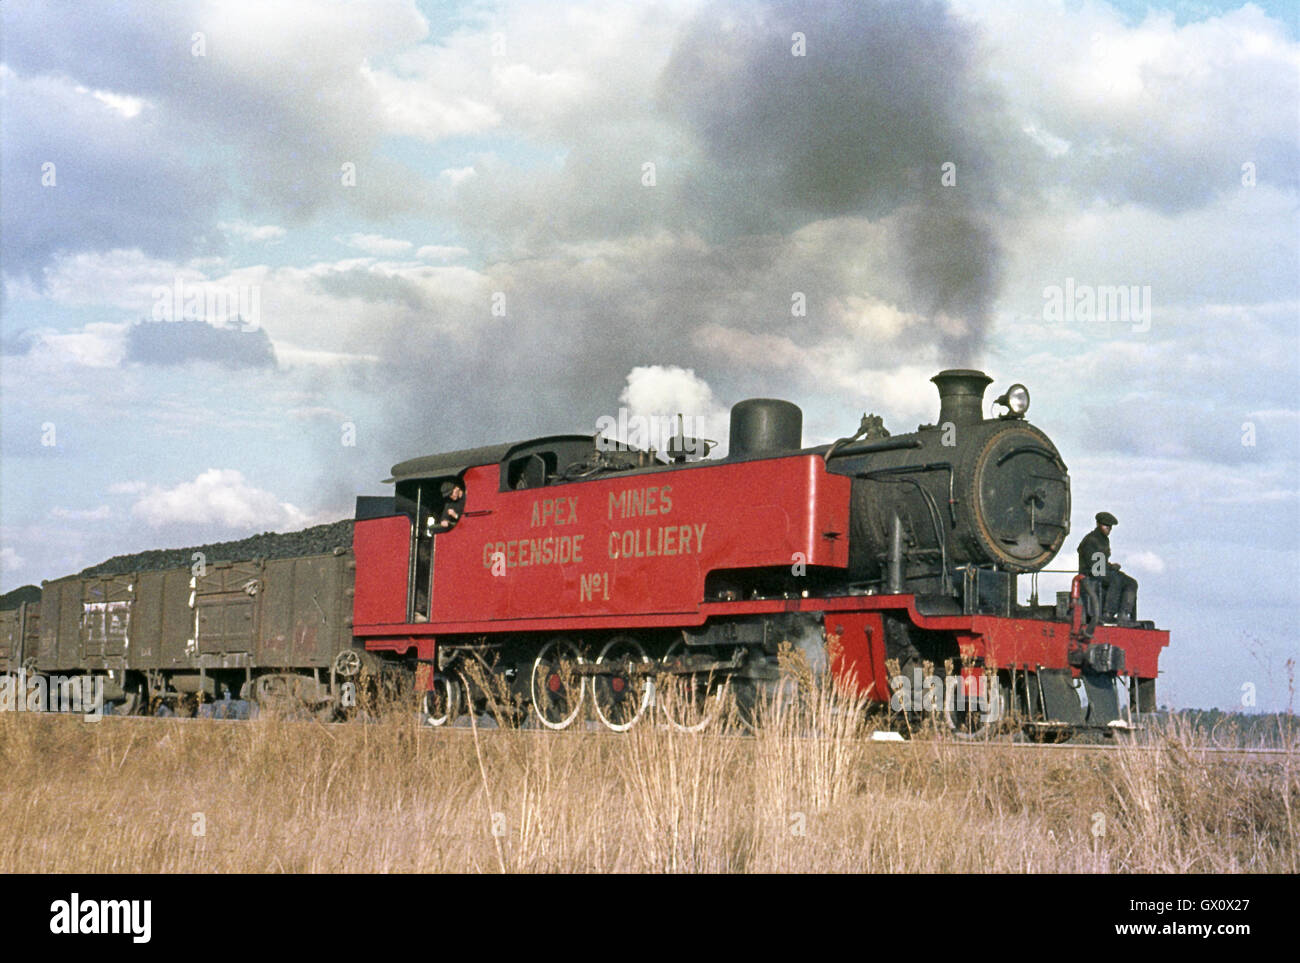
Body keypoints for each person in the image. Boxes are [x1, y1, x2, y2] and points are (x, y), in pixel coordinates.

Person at [1077, 511, 1138, 622]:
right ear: (1098, 524)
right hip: (1091, 574)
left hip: (1102, 570)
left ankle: (1124, 614)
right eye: (1105, 525)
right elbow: (1095, 566)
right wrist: (1111, 568)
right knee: (1116, 579)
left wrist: (1111, 567)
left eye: (1110, 527)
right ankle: (1108, 613)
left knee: (1131, 582)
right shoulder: (1091, 540)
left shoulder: (1104, 540)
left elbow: (1101, 561)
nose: (1108, 529)